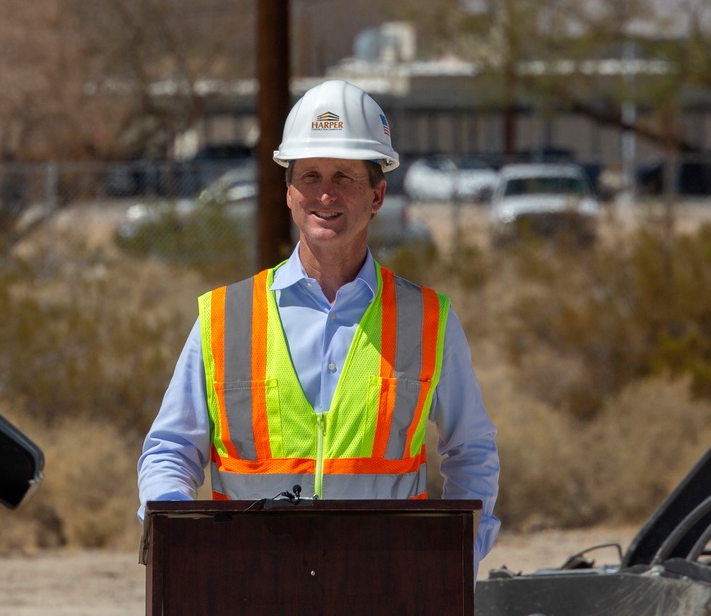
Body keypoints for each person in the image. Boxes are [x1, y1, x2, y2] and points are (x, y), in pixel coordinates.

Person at [137, 79, 500, 577]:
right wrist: (181, 538)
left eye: (344, 177)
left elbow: (471, 452)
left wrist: (456, 559)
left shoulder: (429, 320)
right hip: (249, 587)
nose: (324, 193)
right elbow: (171, 451)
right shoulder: (223, 319)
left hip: (387, 589)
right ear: (288, 192)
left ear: (377, 195)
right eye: (309, 175)